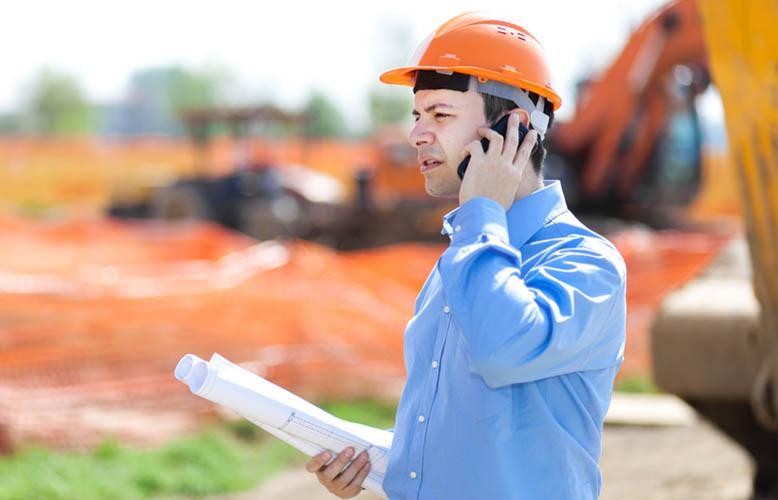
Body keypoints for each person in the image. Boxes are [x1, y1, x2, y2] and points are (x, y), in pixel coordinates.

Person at [305, 12, 626, 499]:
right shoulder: (462, 256)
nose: (416, 135)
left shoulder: (585, 263)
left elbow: (504, 349)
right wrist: (374, 466)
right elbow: (469, 438)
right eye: (417, 115)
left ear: (512, 128)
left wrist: (481, 210)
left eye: (440, 114)